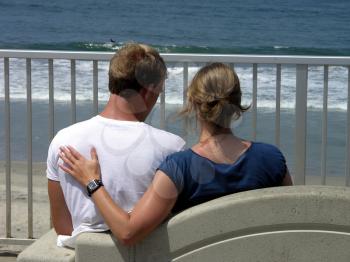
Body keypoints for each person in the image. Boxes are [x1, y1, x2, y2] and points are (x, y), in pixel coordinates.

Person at [59, 62, 293, 246]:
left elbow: (127, 233)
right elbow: (291, 219)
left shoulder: (179, 168)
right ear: (237, 103)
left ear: (192, 103)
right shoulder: (272, 158)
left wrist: (92, 183)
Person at [47, 43, 185, 248]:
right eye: (159, 92)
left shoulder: (63, 141)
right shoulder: (172, 148)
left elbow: (64, 227)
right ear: (149, 92)